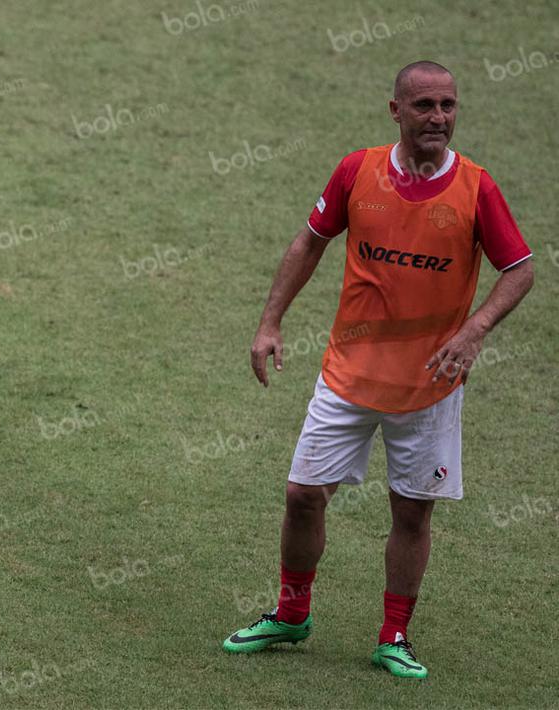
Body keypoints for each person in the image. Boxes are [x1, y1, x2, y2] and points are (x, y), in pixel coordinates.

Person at [222, 61, 534, 678]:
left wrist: (474, 331)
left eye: (448, 105)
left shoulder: (476, 187)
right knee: (303, 496)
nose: (438, 117)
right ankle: (291, 614)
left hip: (430, 384)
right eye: (424, 105)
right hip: (349, 374)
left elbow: (519, 268)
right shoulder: (356, 170)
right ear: (396, 111)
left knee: (412, 511)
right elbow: (310, 240)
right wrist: (270, 321)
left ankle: (394, 636)